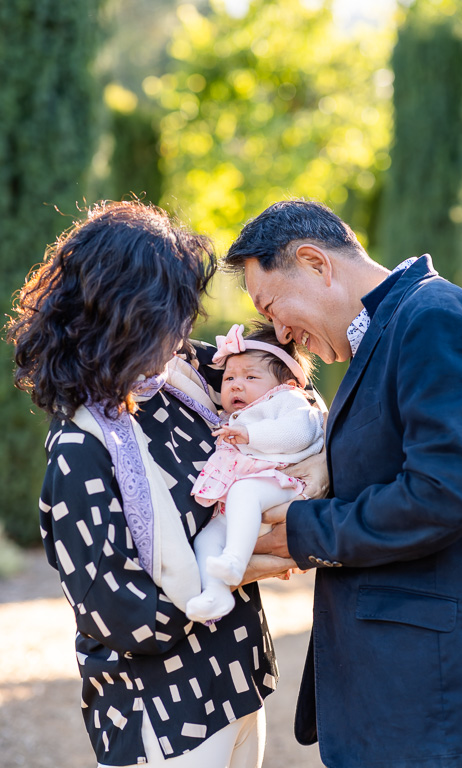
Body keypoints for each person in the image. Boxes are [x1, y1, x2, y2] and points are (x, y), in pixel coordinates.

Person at [6, 200, 302, 768]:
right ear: (127, 314)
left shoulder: (181, 385)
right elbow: (125, 617)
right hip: (164, 719)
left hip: (238, 688)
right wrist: (244, 558)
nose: (185, 330)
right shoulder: (82, 450)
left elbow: (280, 382)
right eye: (173, 313)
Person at [223, 198, 462, 768]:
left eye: (273, 306)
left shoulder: (434, 318)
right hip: (405, 701)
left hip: (437, 705)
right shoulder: (386, 333)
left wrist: (303, 531)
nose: (279, 332)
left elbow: (448, 492)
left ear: (315, 262)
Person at [185, 322, 325, 624]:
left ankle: (235, 559)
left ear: (286, 383)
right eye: (230, 377)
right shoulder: (235, 417)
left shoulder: (288, 401)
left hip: (286, 483)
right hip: (244, 505)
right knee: (206, 539)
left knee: (244, 492)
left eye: (250, 376)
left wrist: (250, 434)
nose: (236, 384)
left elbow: (299, 432)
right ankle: (215, 592)